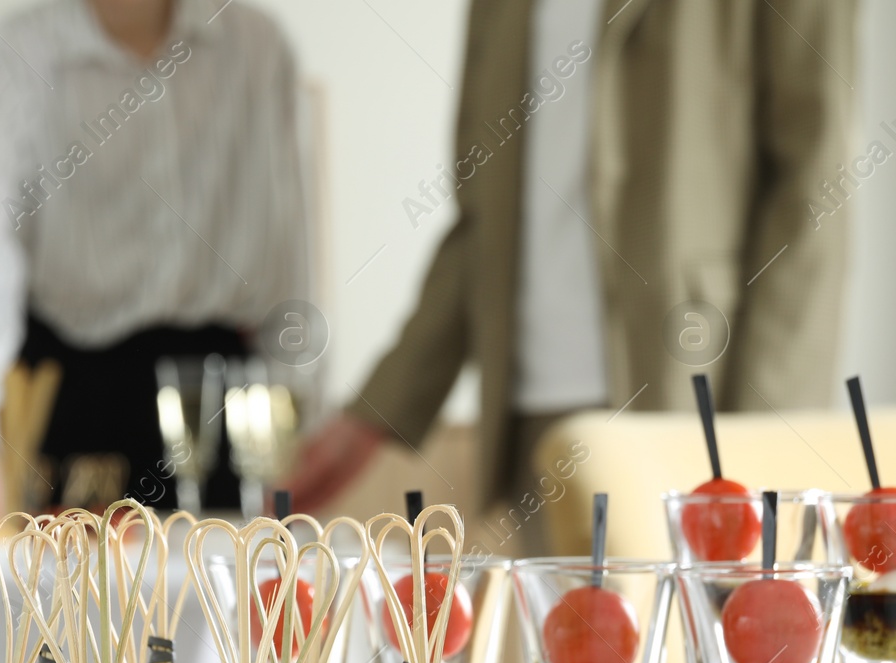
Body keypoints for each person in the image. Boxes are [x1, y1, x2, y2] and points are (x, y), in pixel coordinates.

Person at [288, 0, 854, 517]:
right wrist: (380, 407)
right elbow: (479, 225)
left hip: (693, 402)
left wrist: (765, 440)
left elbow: (816, 190)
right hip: (533, 420)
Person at [0, 0, 308, 523]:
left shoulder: (257, 47)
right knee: (69, 598)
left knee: (226, 593)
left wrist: (299, 402)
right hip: (71, 396)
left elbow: (289, 240)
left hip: (219, 399)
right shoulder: (17, 55)